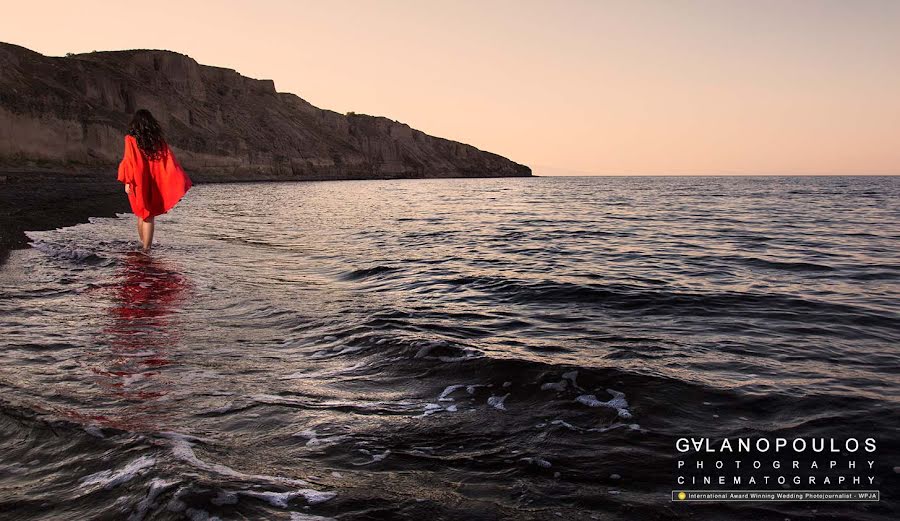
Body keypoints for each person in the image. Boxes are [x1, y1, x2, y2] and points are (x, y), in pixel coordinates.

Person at [117, 109, 192, 252]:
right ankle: (146, 248)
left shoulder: (130, 139)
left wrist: (127, 181)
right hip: (153, 182)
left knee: (141, 213)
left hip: (138, 181)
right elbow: (168, 160)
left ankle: (143, 246)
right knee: (147, 215)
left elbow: (129, 161)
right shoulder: (157, 141)